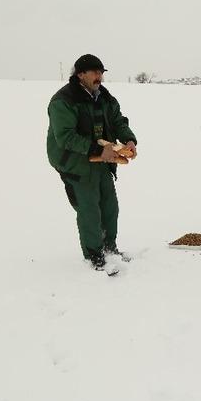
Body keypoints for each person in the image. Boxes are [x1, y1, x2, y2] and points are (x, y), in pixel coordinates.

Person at [46, 54, 138, 271]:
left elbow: (117, 120)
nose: (99, 77)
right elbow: (65, 137)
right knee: (89, 209)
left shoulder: (103, 96)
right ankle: (94, 256)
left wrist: (129, 139)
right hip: (74, 161)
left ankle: (109, 249)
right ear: (80, 75)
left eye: (101, 72)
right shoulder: (63, 101)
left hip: (101, 159)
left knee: (109, 206)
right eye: (94, 72)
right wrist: (98, 148)